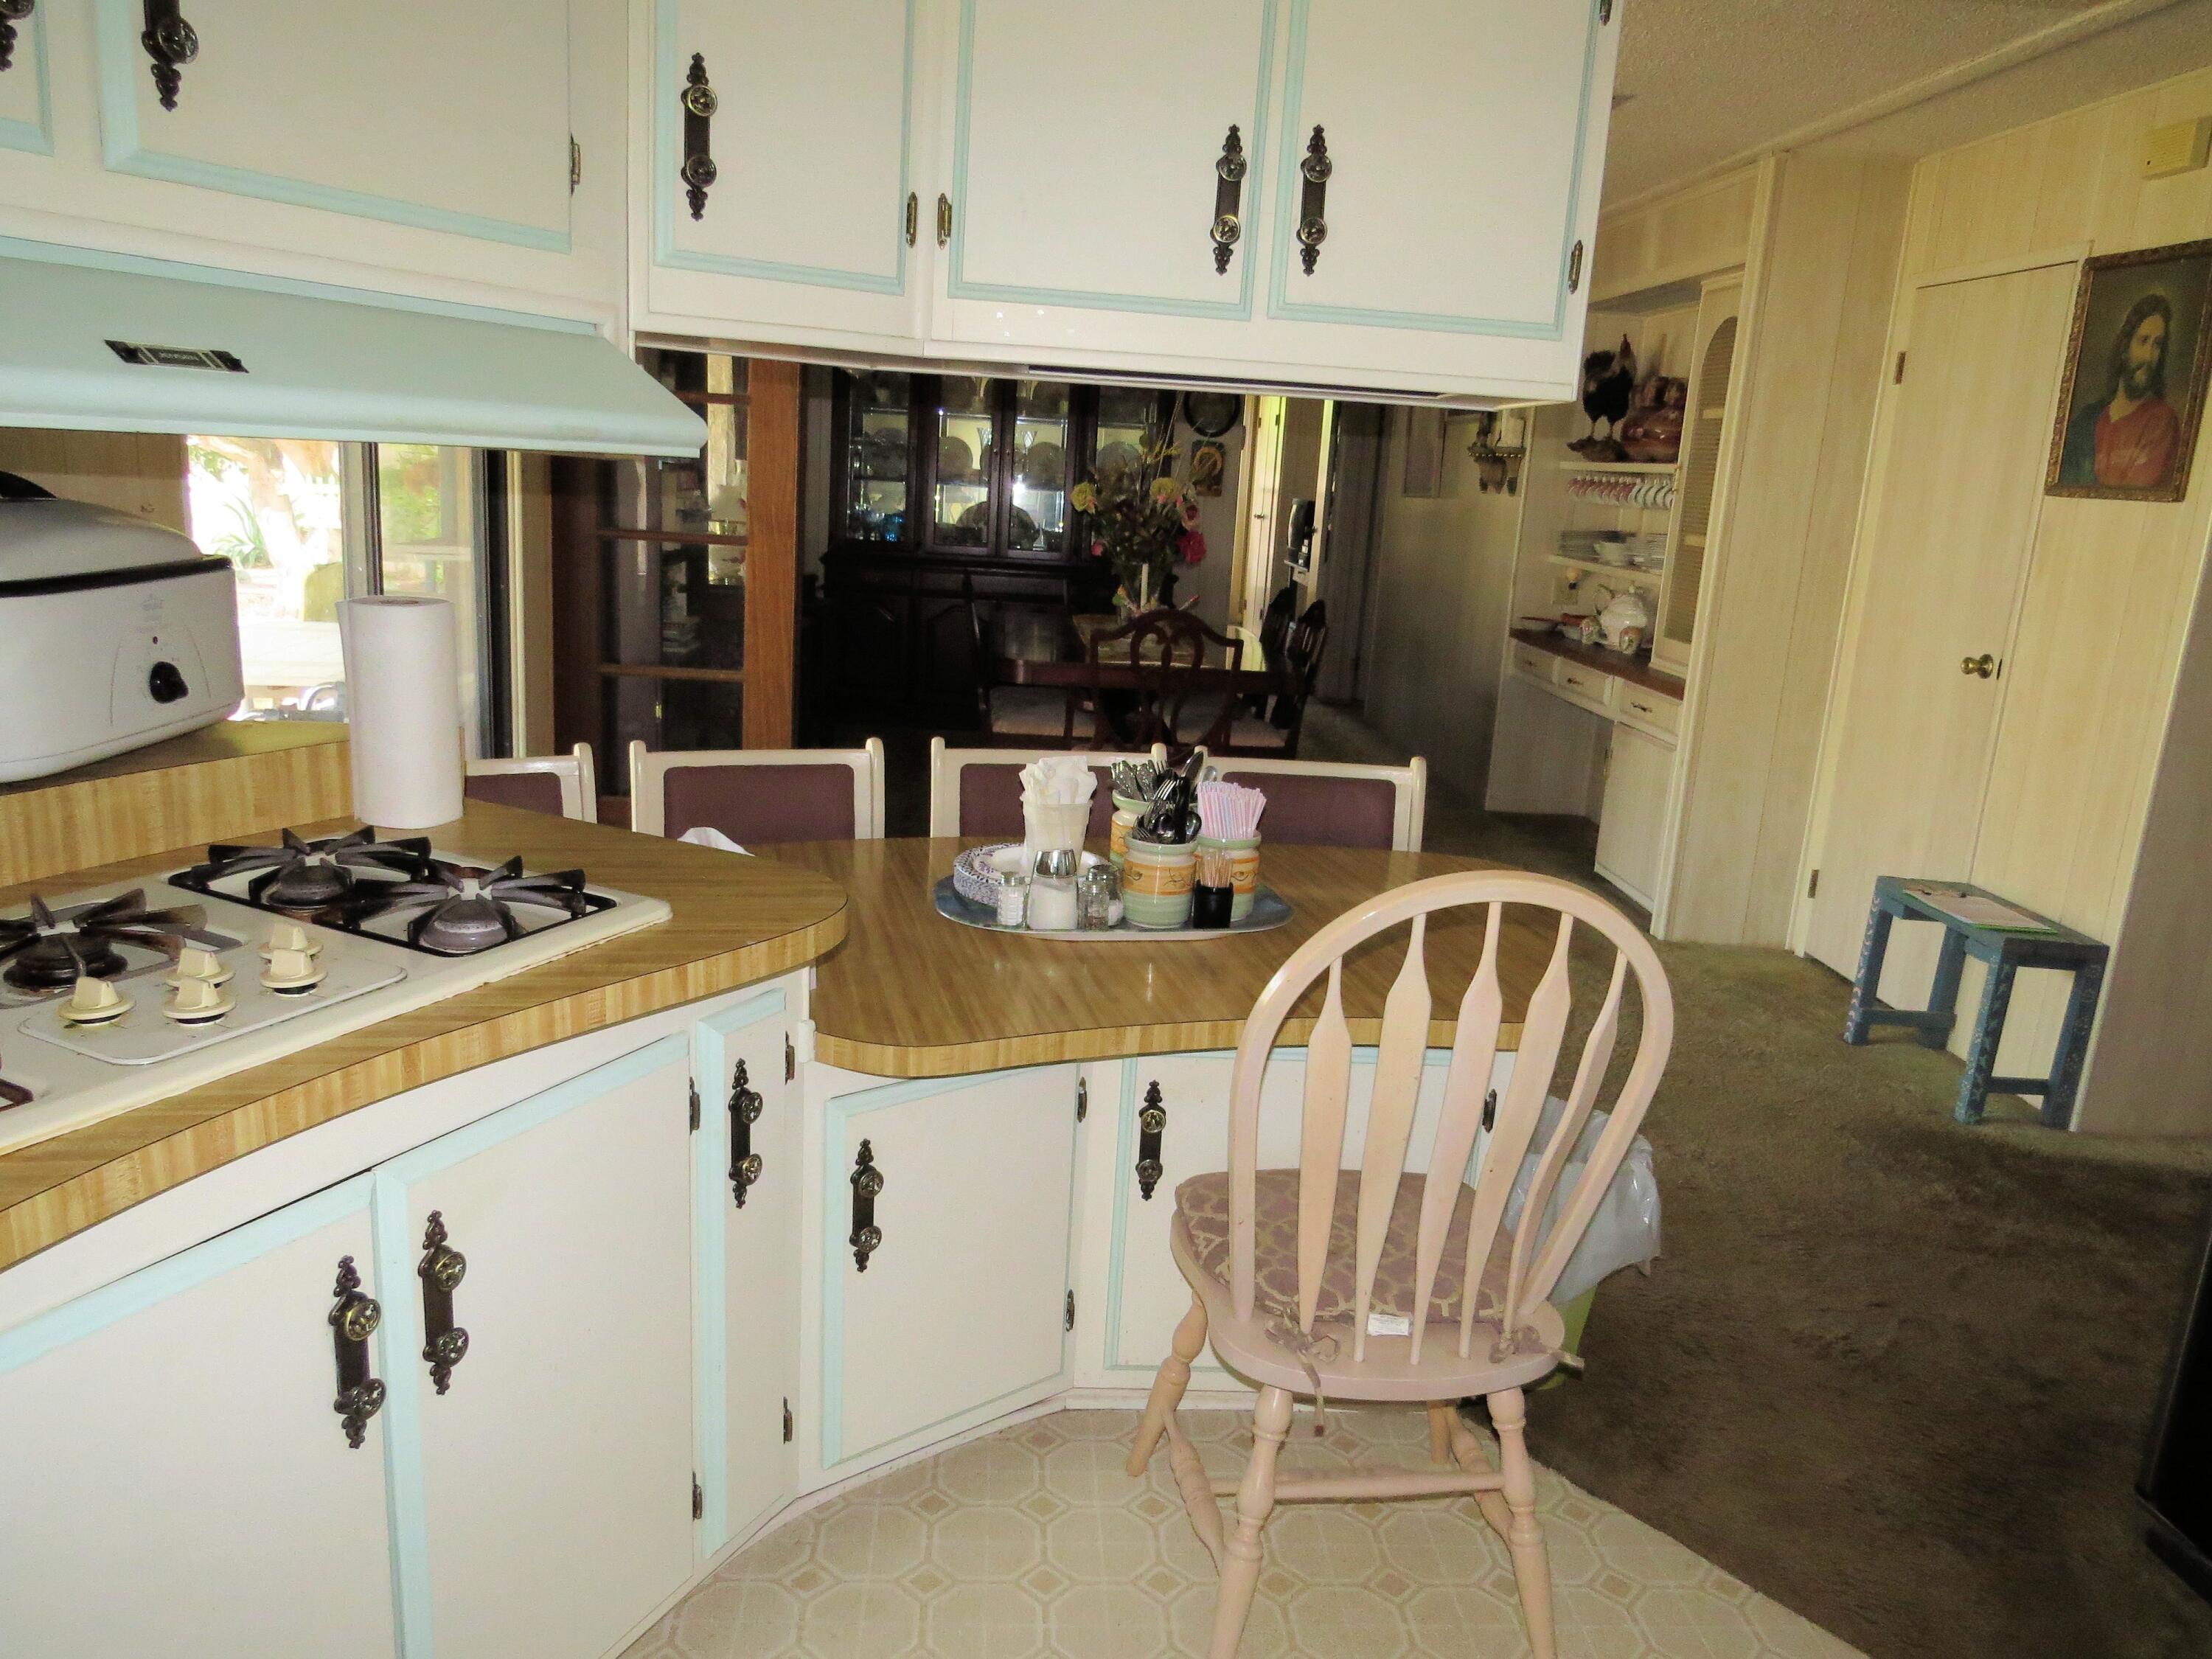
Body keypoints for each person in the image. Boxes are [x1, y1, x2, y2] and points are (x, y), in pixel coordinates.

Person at [2059, 293, 2183, 489]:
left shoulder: (2161, 421)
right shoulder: (2087, 419)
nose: (2149, 356)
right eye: (2143, 341)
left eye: (2157, 345)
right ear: (2125, 348)